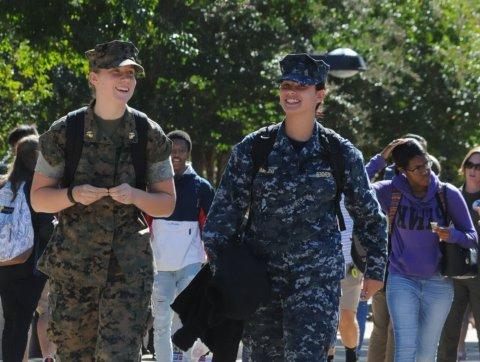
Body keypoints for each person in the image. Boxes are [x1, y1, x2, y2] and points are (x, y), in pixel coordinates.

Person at [203, 53, 388, 361]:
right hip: (259, 284)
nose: (291, 92)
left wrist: (376, 269)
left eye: (301, 87)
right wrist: (226, 271)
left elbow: (370, 216)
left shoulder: (339, 153)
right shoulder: (254, 148)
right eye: (286, 85)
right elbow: (224, 215)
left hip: (315, 284)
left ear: (319, 94)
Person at [30, 40, 175, 360]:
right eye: (115, 72)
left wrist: (137, 195)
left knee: (120, 355)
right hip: (74, 270)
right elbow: (39, 199)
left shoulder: (148, 132)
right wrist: (71, 195)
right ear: (94, 77)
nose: (125, 80)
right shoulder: (65, 132)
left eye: (131, 74)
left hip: (128, 270)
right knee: (75, 355)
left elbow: (166, 203)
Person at [371, 139, 477, 361]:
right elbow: (354, 186)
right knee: (405, 348)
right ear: (401, 171)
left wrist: (452, 235)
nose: (425, 171)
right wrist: (381, 158)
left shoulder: (447, 193)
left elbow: (472, 238)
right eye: (416, 168)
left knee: (427, 352)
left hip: (439, 282)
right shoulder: (389, 192)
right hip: (401, 279)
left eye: (426, 163)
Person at [151, 130, 215, 362]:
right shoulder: (154, 183)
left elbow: (212, 224)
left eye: (180, 151)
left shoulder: (201, 187)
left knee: (189, 319)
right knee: (161, 322)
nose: (175, 155)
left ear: (188, 153)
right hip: (159, 265)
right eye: (171, 150)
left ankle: (191, 357)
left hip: (190, 263)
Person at [0, 135, 51, 362]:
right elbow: (46, 229)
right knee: (21, 321)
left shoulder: (3, 185)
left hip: (3, 262)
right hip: (29, 265)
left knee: (10, 321)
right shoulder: (36, 187)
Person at [437, 146, 480, 361]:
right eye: (470, 165)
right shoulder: (453, 195)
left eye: (479, 166)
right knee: (448, 335)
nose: (473, 170)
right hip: (453, 272)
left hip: (478, 276)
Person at [328, 199, 364, 362]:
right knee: (324, 321)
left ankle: (351, 358)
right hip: (319, 265)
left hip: (350, 265)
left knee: (347, 318)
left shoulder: (351, 181)